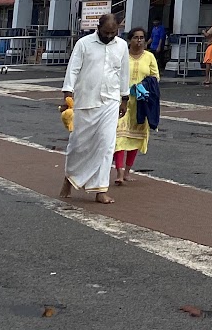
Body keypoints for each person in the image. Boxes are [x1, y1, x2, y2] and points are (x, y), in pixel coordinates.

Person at [60, 12, 131, 204]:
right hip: (85, 100)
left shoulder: (121, 46)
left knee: (106, 145)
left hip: (110, 101)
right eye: (106, 32)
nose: (109, 36)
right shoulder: (84, 44)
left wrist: (125, 99)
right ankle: (69, 178)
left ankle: (101, 190)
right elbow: (73, 69)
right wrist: (67, 92)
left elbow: (124, 73)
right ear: (98, 28)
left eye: (113, 33)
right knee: (78, 144)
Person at [113, 27, 160, 185]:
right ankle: (119, 172)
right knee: (119, 136)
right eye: (135, 37)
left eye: (141, 38)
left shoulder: (149, 57)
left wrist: (143, 86)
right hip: (122, 101)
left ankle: (127, 172)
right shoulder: (123, 56)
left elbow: (155, 77)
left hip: (141, 102)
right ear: (129, 40)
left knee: (134, 137)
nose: (139, 41)